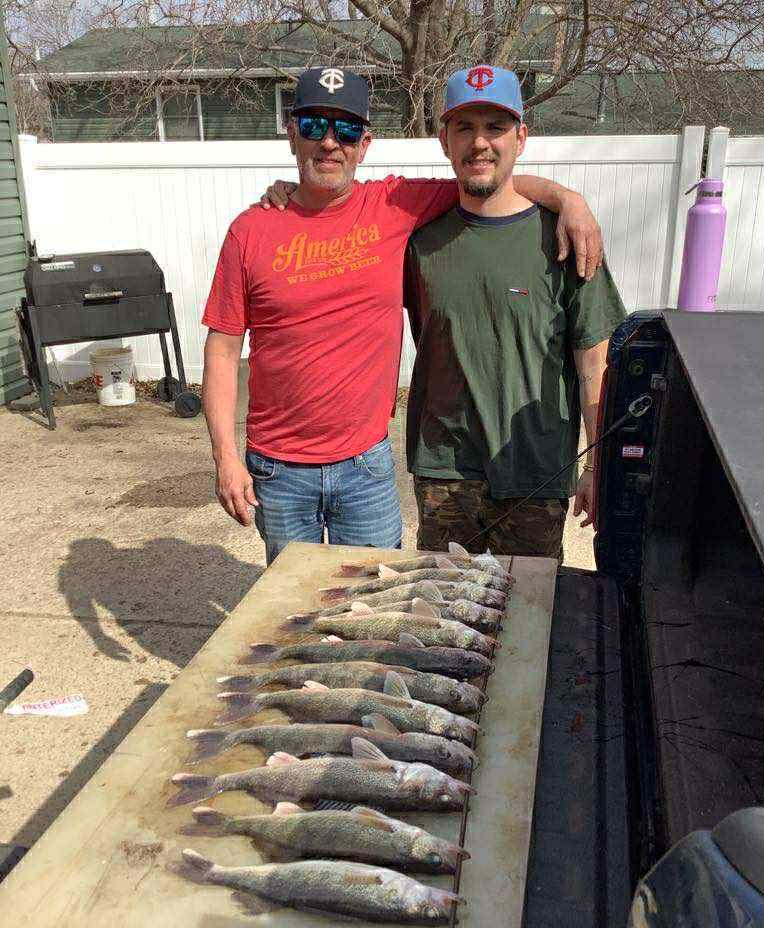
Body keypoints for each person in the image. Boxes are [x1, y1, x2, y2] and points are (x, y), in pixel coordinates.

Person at [202, 66, 605, 564]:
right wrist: (224, 457)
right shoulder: (255, 230)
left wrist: (570, 199)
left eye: (346, 129)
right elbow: (221, 350)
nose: (330, 142)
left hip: (369, 468)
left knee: (387, 597)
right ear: (291, 133)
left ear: (364, 143)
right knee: (299, 606)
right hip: (283, 469)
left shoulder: (396, 207)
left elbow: (486, 177)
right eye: (314, 126)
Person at [405, 66, 627, 562]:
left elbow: (595, 364)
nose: (480, 143)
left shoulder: (569, 239)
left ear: (521, 137)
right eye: (465, 127)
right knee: (442, 617)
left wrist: (597, 466)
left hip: (536, 471)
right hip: (446, 471)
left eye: (495, 127)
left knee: (528, 618)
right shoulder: (420, 242)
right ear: (444, 140)